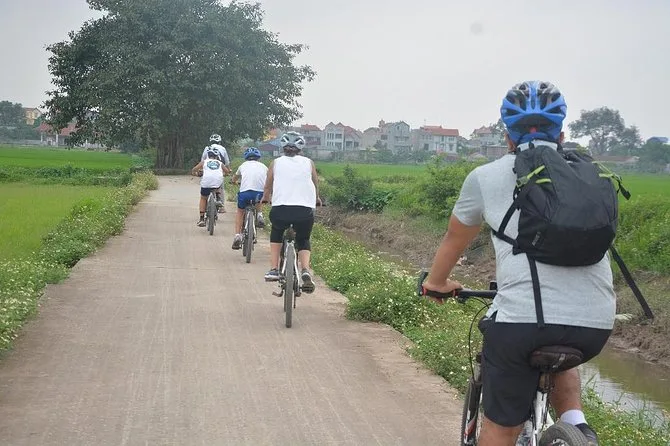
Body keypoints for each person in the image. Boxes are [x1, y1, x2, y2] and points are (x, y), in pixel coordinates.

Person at [422, 81, 613, 446]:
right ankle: (577, 426)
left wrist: (436, 284)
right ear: (562, 135)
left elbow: (454, 241)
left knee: (501, 428)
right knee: (561, 345)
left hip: (522, 325)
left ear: (507, 137)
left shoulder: (484, 177)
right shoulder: (591, 176)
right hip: (595, 325)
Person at [260, 131, 321, 293]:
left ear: (283, 147)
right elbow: (315, 183)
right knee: (303, 238)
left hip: (281, 209)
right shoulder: (309, 163)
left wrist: (265, 198)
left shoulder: (276, 162)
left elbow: (268, 185)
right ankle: (305, 270)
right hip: (304, 210)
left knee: (276, 232)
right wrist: (317, 198)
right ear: (300, 149)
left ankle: (274, 269)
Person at [231, 147, 268, 250]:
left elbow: (235, 178)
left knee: (240, 212)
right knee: (259, 197)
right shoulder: (264, 166)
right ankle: (259, 215)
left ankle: (237, 235)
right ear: (258, 157)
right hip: (259, 193)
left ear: (246, 157)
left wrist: (233, 181)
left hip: (245, 193)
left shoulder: (243, 165)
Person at [191, 149, 225, 227]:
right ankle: (218, 199)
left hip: (206, 183)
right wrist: (226, 173)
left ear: (208, 156)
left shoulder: (204, 162)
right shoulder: (220, 163)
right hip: (217, 182)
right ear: (217, 157)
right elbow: (226, 171)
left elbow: (194, 169)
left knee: (203, 198)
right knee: (218, 183)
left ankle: (201, 219)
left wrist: (195, 173)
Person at [201, 134, 232, 211]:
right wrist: (228, 170)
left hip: (207, 169)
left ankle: (204, 207)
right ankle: (221, 207)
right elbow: (227, 162)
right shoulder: (223, 148)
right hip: (219, 169)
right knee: (220, 187)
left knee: (204, 191)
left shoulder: (207, 148)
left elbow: (202, 160)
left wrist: (201, 170)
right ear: (219, 142)